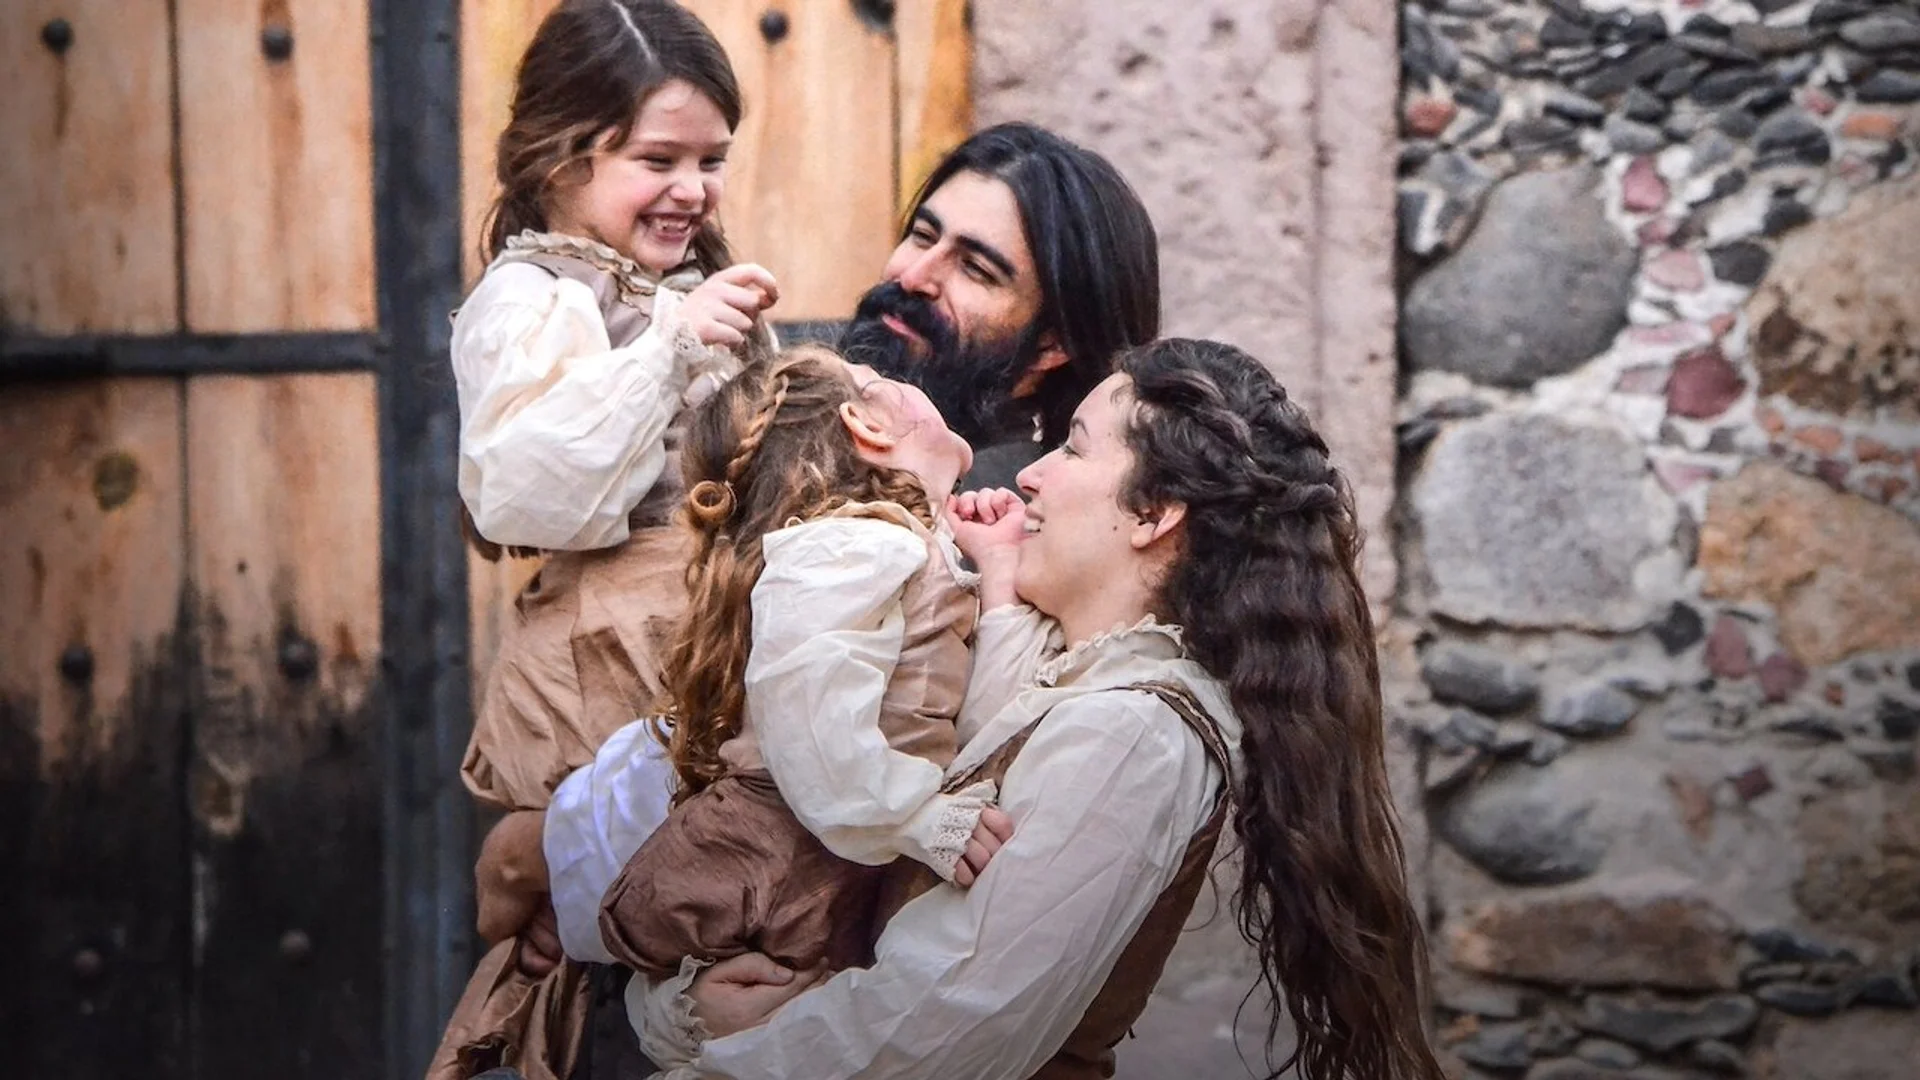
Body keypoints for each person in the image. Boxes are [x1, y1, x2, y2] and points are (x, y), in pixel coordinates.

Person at [615, 339, 1447, 1079]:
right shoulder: (1049, 666)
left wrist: (706, 1055)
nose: (1028, 474)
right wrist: (684, 1007)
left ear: (1153, 514)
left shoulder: (1133, 733)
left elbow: (943, 1027)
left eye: (1073, 449)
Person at [474, 120, 1163, 970]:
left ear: (1054, 344)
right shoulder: (819, 442)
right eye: (922, 234)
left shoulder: (1014, 524)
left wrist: (539, 848)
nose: (914, 276)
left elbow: (818, 765)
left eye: (976, 269)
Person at [432, 2, 776, 1077]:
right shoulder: (532, 300)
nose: (693, 187)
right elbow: (524, 491)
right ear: (558, 155)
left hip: (694, 641)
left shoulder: (673, 294)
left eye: (711, 160)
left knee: (692, 912)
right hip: (612, 653)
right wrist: (668, 351)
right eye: (657, 159)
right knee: (610, 946)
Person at [597, 345, 1012, 986]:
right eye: (879, 380)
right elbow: (808, 712)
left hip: (838, 835)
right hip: (786, 845)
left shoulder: (885, 543)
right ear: (867, 426)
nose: (902, 378)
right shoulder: (858, 542)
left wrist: (995, 560)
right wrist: (913, 816)